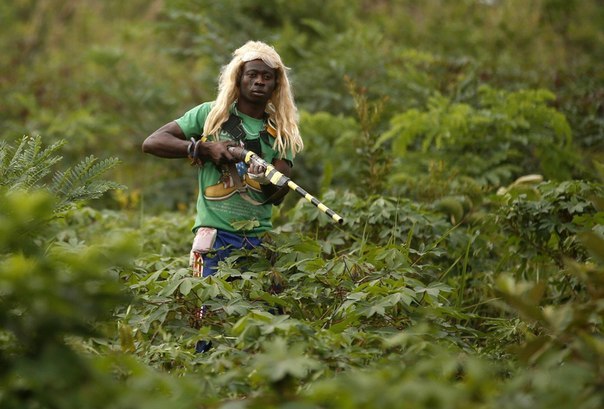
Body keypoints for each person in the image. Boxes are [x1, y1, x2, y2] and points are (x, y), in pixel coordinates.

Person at [142, 41, 303, 283]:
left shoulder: (281, 131)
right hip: (214, 238)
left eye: (267, 77)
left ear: (275, 85)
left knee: (255, 306)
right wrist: (203, 149)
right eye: (252, 74)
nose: (259, 81)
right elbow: (153, 142)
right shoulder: (212, 114)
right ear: (238, 78)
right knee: (208, 304)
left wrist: (264, 179)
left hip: (258, 241)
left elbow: (279, 195)